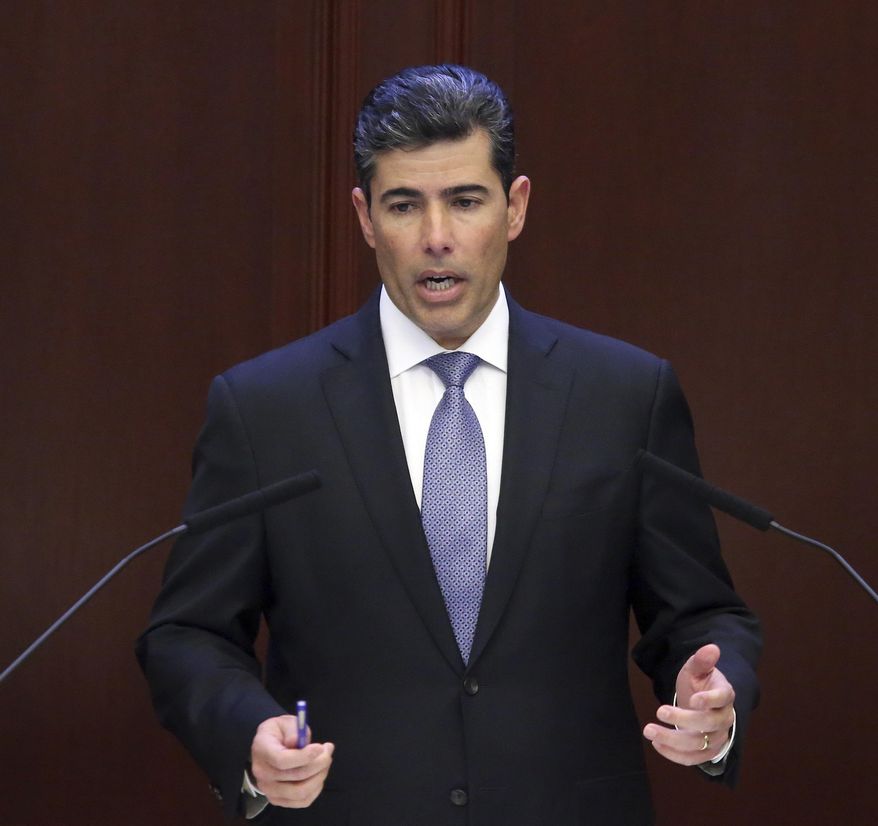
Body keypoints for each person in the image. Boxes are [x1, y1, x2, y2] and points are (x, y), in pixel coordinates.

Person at [137, 64, 761, 825]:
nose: (437, 239)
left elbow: (698, 615)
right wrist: (247, 733)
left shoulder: (624, 395)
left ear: (515, 207)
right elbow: (189, 633)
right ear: (366, 219)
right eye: (405, 205)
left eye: (465, 201)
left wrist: (714, 697)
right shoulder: (268, 407)